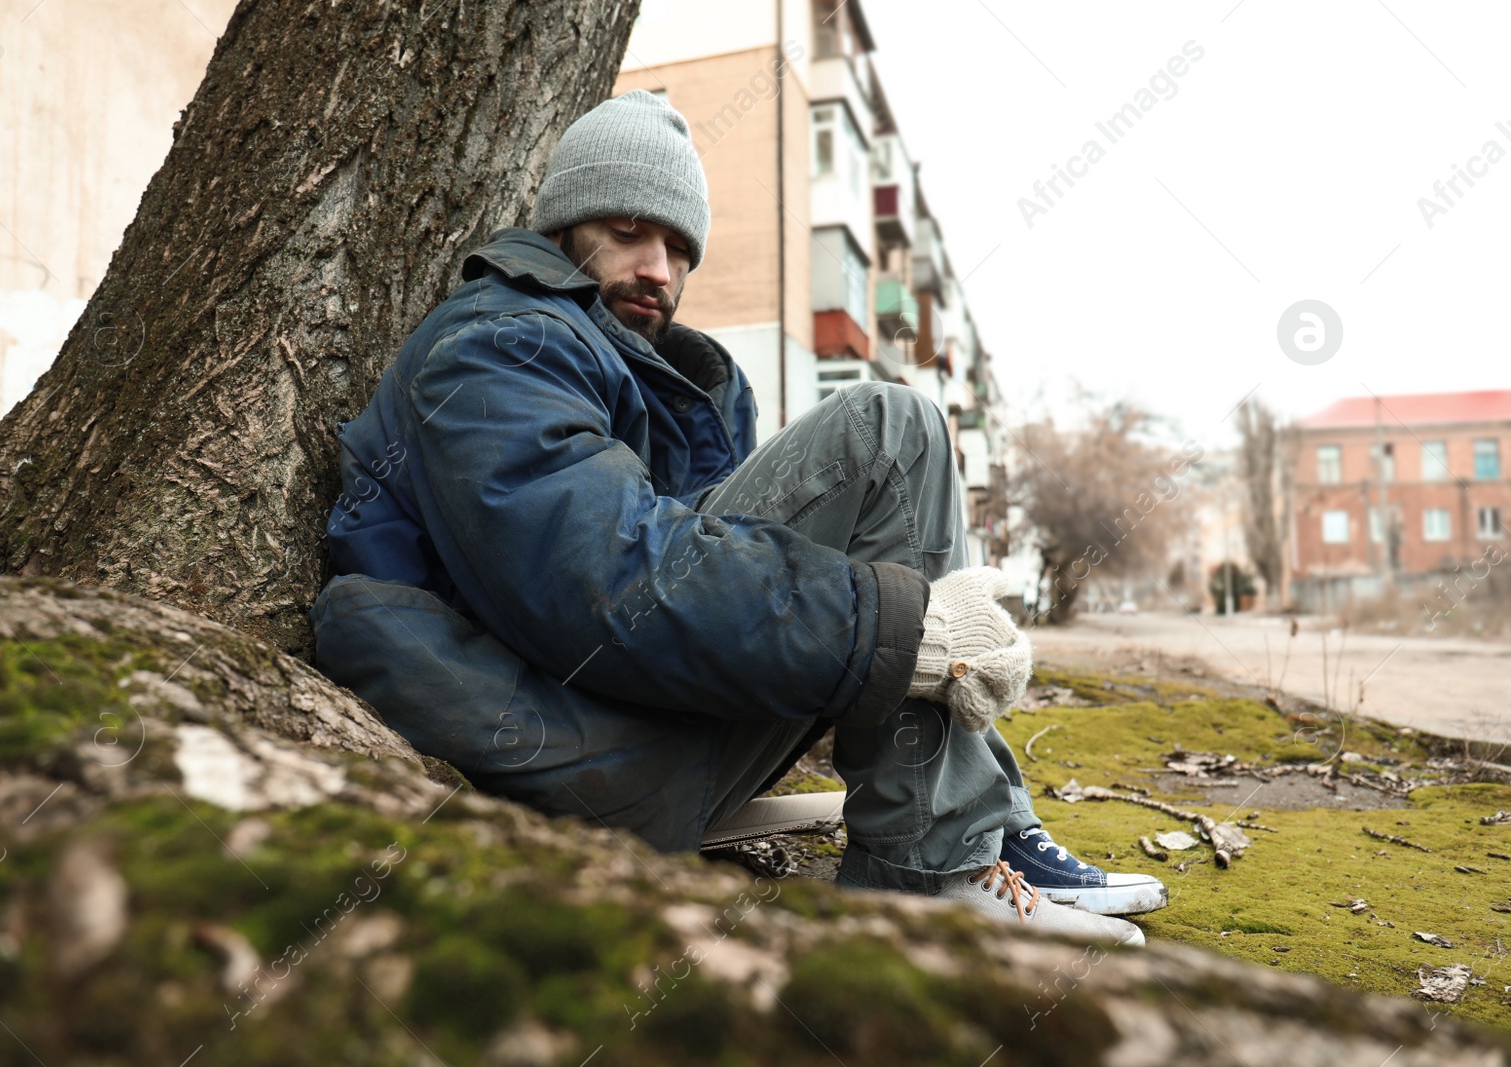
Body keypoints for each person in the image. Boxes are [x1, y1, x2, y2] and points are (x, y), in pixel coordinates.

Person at [311, 90, 1165, 944]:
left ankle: (973, 833)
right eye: (628, 232)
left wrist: (901, 632)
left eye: (679, 247)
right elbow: (613, 586)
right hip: (563, 750)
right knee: (888, 433)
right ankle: (933, 866)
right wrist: (901, 630)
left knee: (899, 468)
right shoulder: (502, 345)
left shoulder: (667, 382)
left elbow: (716, 573)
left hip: (633, 723)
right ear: (565, 228)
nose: (658, 268)